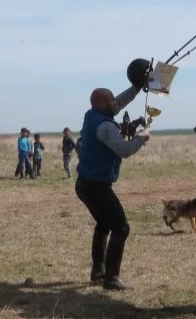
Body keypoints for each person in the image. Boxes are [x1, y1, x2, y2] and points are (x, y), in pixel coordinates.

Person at [75, 58, 151, 291]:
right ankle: (111, 279)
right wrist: (142, 137)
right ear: (101, 103)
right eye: (110, 100)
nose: (114, 102)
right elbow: (124, 150)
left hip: (85, 184)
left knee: (103, 224)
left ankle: (98, 272)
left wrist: (137, 88)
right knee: (121, 227)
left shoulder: (93, 115)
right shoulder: (105, 126)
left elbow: (119, 101)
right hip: (96, 186)